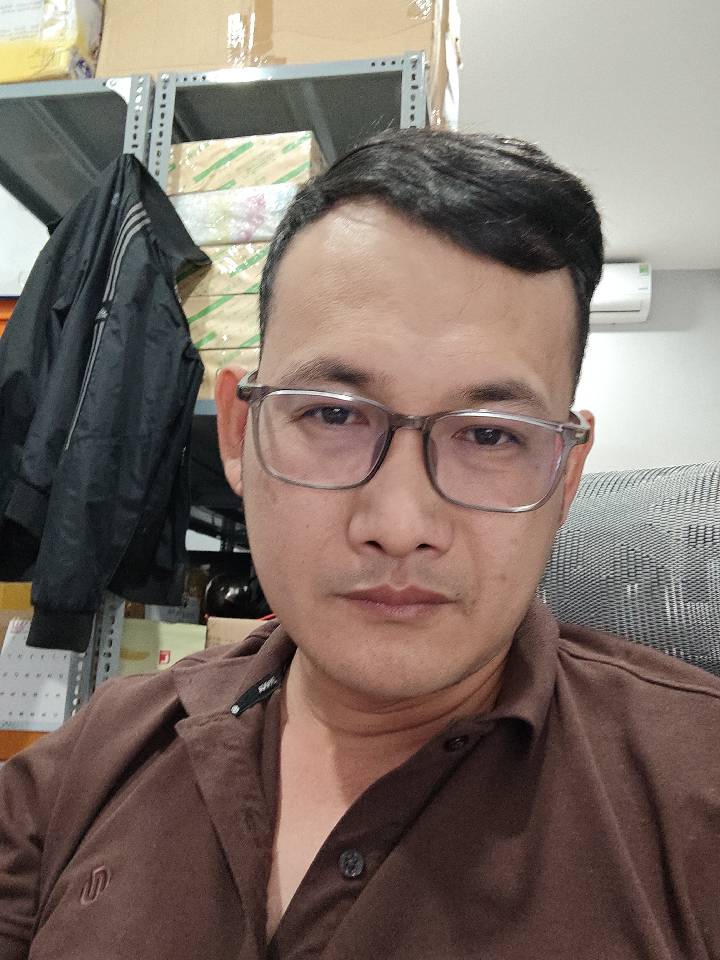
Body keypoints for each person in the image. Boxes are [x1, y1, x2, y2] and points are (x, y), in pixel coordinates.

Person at [1, 129, 718, 960]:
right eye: (333, 415)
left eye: (490, 434)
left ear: (565, 477)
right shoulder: (99, 755)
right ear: (238, 432)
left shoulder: (695, 795)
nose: (400, 523)